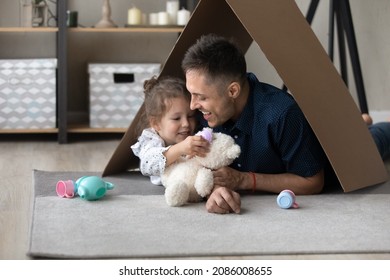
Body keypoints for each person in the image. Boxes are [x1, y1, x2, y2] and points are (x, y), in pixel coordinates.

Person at [181, 33, 390, 214]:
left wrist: (243, 180)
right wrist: (217, 188)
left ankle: (374, 126)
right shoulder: (207, 112)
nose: (192, 105)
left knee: (373, 142)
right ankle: (360, 123)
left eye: (200, 97)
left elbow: (313, 182)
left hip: (335, 156)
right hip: (294, 141)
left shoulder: (281, 114)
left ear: (233, 91)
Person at [131, 76, 209, 186]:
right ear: (156, 124)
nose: (186, 123)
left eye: (190, 116)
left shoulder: (194, 134)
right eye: (177, 118)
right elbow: (147, 166)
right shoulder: (151, 139)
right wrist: (180, 148)